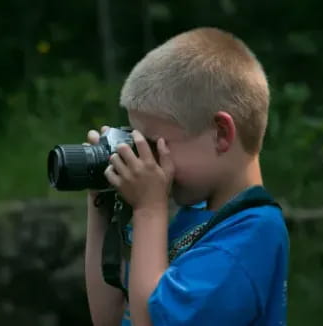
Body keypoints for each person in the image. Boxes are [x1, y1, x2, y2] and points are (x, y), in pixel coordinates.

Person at [84, 27, 289, 326]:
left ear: (221, 134)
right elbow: (109, 317)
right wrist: (101, 202)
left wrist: (149, 210)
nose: (148, 159)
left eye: (156, 144)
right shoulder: (194, 216)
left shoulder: (250, 237)